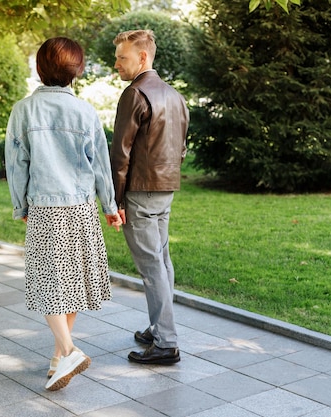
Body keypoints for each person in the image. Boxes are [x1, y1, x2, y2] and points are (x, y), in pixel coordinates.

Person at [5, 37, 122, 391]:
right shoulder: (86, 112)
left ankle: (66, 353)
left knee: (48, 284)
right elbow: (101, 165)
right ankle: (59, 358)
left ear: (40, 69)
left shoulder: (23, 111)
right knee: (70, 285)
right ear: (78, 71)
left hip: (46, 208)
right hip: (82, 208)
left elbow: (16, 166)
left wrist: (20, 205)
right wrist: (110, 206)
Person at [110, 29, 189, 365]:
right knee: (162, 260)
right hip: (166, 189)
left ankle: (166, 342)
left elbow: (120, 154)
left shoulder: (135, 93)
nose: (117, 65)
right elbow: (181, 147)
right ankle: (158, 328)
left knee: (151, 267)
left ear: (142, 57)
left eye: (122, 57)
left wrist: (115, 201)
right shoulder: (175, 95)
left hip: (141, 192)